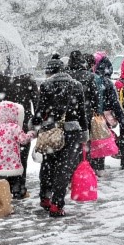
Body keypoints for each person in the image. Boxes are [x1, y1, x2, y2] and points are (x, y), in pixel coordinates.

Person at [34, 55, 87, 217]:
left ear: (50, 72)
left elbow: (39, 113)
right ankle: (57, 205)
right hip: (72, 132)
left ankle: (45, 197)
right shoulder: (77, 86)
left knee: (48, 165)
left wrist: (37, 125)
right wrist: (85, 133)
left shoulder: (45, 86)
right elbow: (81, 114)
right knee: (64, 168)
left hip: (50, 132)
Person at [91, 54, 124, 170]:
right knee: (100, 139)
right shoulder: (107, 82)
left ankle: (91, 165)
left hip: (91, 115)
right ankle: (99, 166)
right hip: (104, 117)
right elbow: (116, 104)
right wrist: (123, 121)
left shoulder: (90, 79)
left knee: (93, 140)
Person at [0, 100, 35, 199]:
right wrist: (31, 134)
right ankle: (17, 193)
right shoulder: (15, 127)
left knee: (2, 182)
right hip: (12, 161)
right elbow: (23, 140)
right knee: (15, 179)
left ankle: (3, 198)